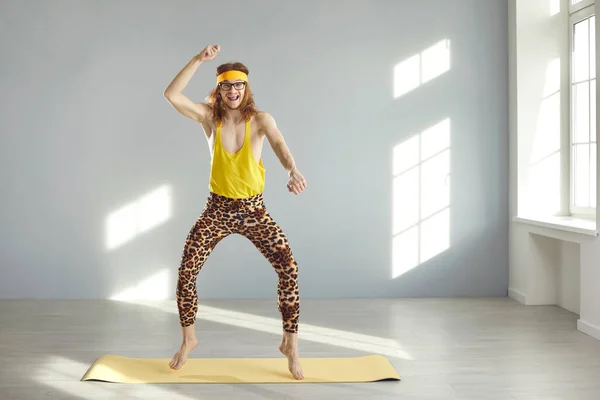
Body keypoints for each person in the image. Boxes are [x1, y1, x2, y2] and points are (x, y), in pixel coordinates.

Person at [163, 45, 306, 380]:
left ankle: (291, 345)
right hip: (217, 210)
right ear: (219, 89)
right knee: (186, 272)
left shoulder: (261, 120)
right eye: (227, 86)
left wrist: (292, 170)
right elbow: (171, 94)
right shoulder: (207, 118)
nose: (233, 91)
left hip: (254, 210)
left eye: (238, 85)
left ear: (246, 88)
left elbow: (281, 146)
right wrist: (198, 60)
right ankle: (189, 340)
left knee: (289, 268)